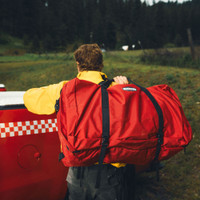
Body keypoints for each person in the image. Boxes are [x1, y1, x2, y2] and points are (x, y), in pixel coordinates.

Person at [23, 43, 135, 200]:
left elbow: (29, 98)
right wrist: (126, 89)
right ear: (101, 64)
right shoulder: (118, 89)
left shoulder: (65, 89)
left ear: (78, 65)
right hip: (109, 172)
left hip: (77, 171)